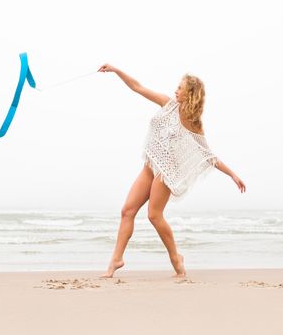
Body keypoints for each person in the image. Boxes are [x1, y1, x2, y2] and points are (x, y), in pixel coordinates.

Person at [97, 63, 246, 278]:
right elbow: (137, 87)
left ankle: (176, 257)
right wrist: (116, 70)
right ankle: (116, 260)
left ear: (190, 94)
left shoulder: (194, 125)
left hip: (165, 173)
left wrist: (233, 174)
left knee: (154, 216)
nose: (176, 90)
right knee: (127, 211)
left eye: (180, 87)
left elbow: (208, 155)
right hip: (150, 165)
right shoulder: (168, 104)